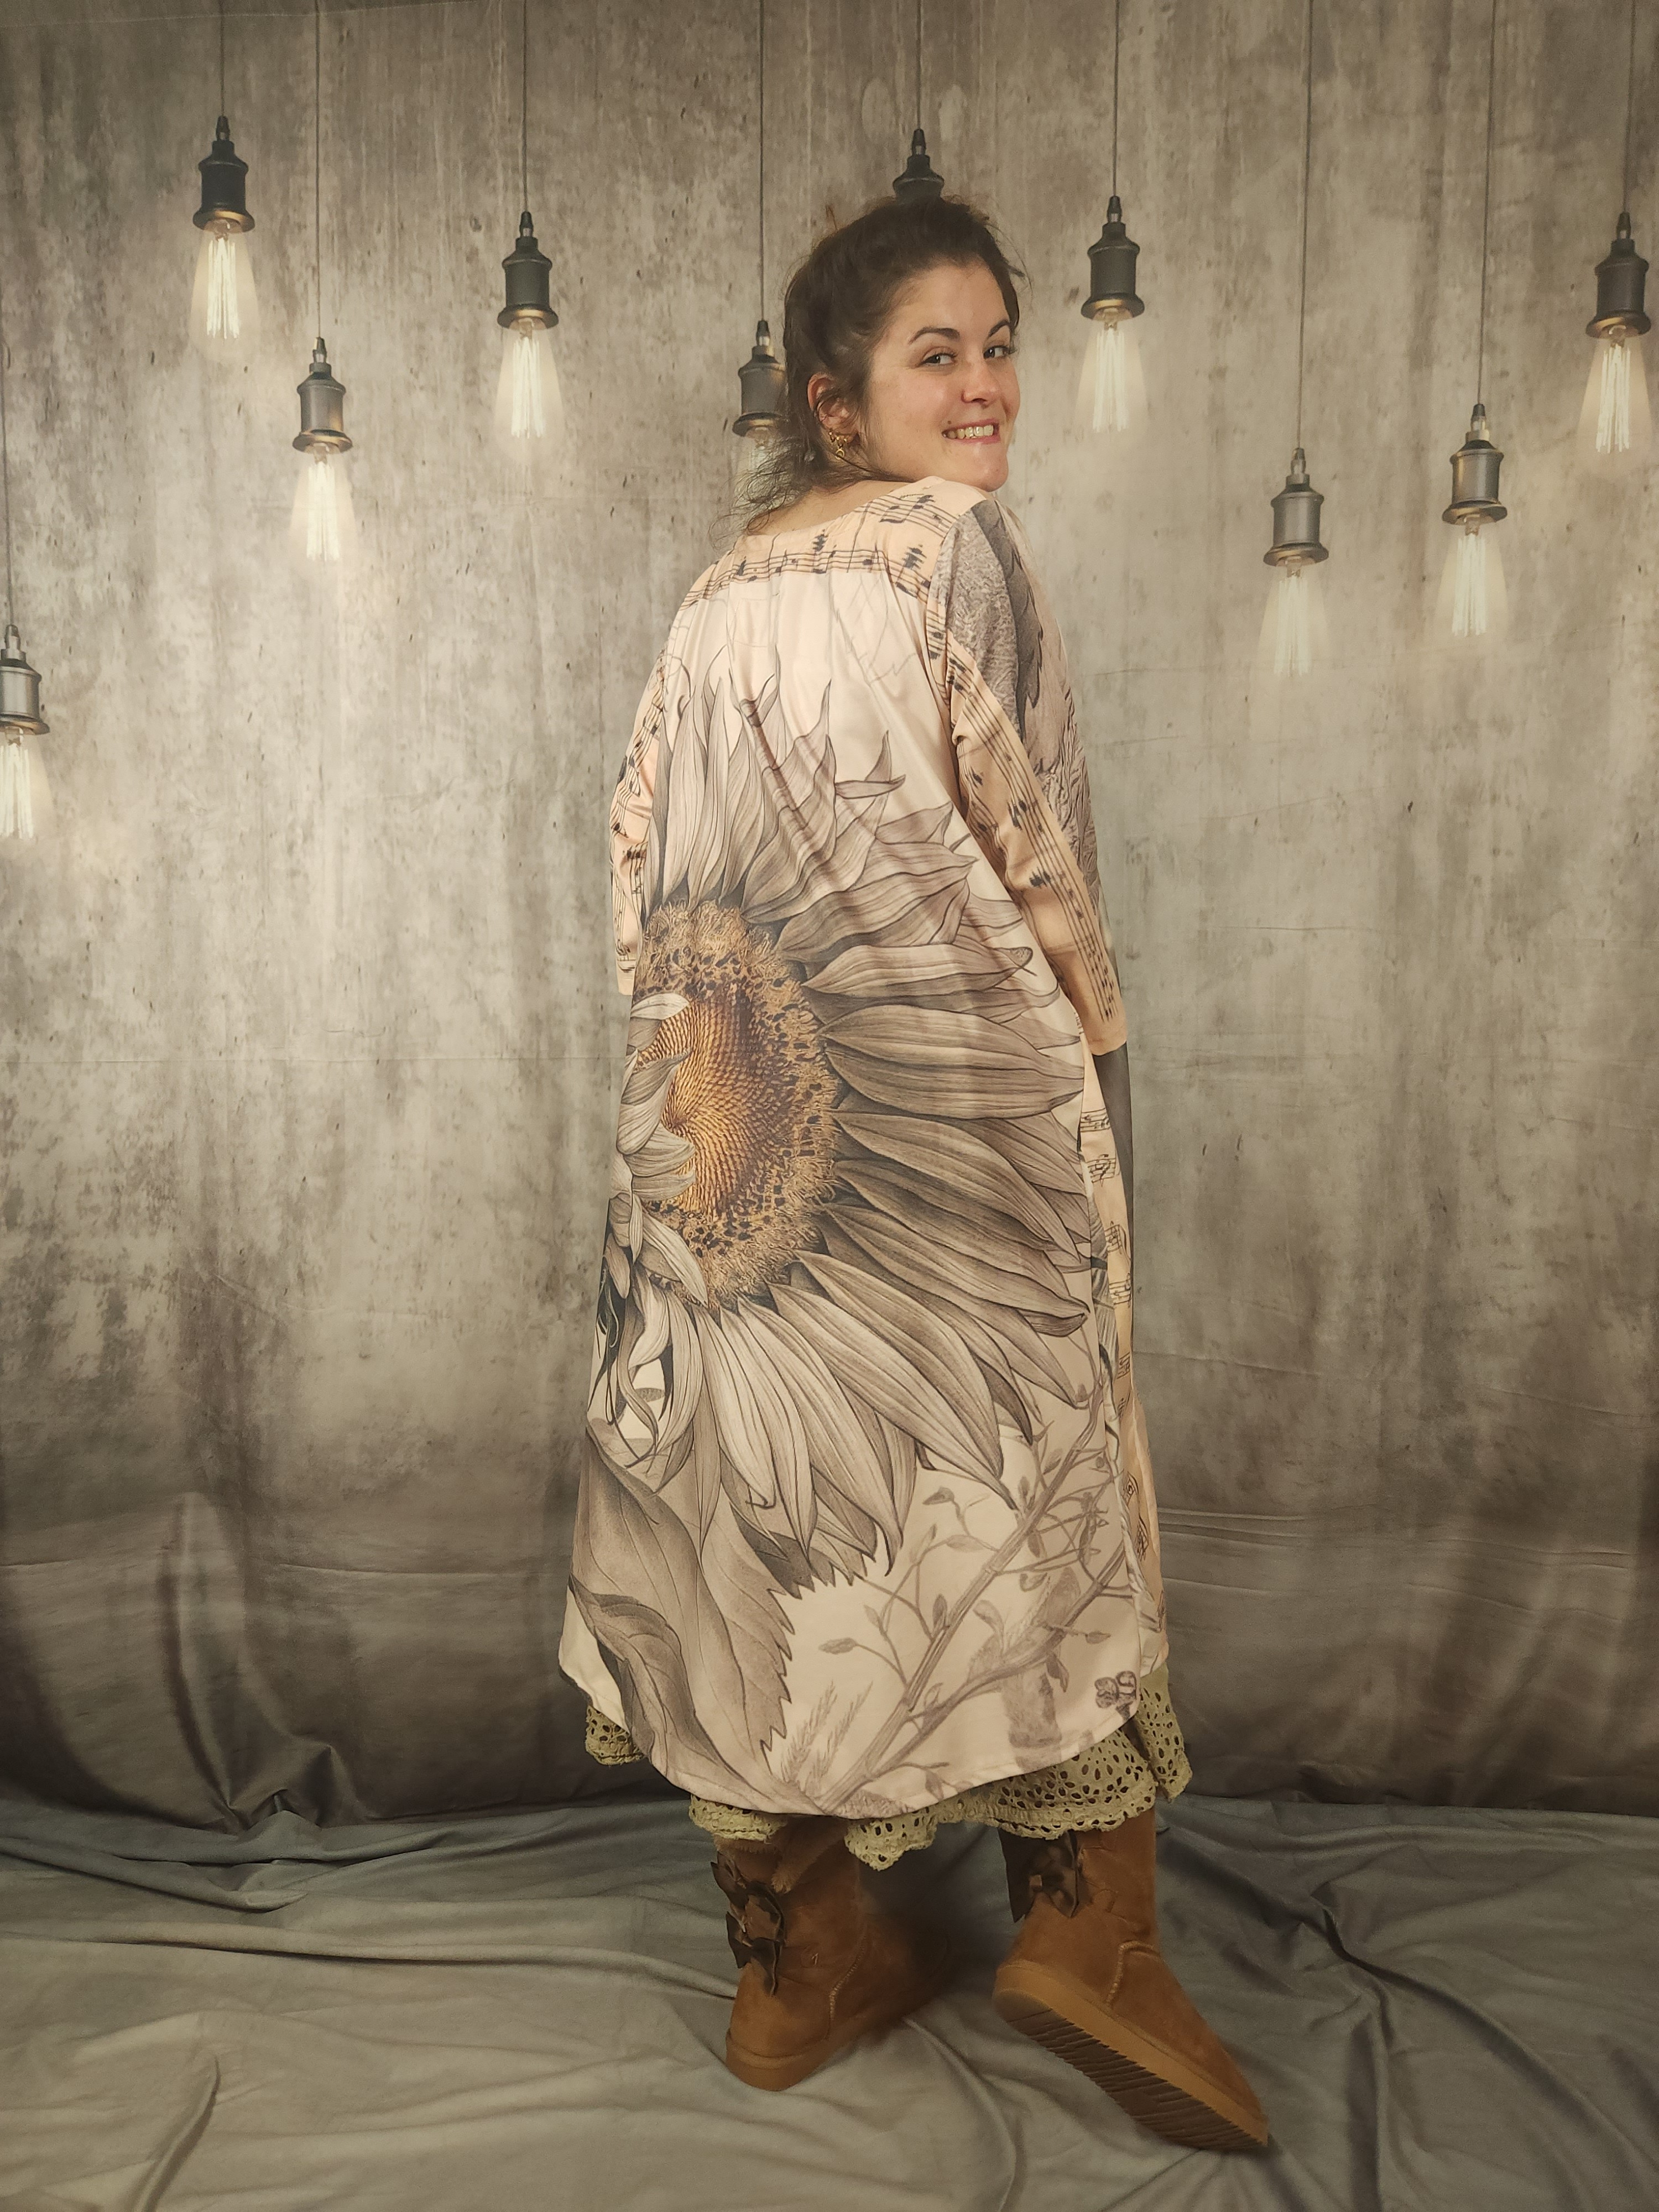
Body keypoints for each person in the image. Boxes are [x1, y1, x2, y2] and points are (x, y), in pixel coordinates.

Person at [559, 191, 1267, 2155]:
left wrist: (690, 1095)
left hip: (728, 1139)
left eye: (1000, 347)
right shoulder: (957, 549)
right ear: (836, 399)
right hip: (955, 1123)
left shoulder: (714, 596)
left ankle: (796, 1971)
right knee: (1036, 1493)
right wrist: (1094, 1067)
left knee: (759, 1531)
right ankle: (1091, 1943)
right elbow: (1044, 841)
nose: (986, 390)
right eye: (936, 355)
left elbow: (633, 865)